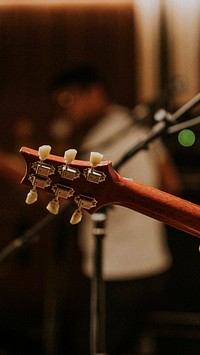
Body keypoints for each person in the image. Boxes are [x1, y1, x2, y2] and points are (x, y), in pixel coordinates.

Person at [51, 63, 183, 355]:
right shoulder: (134, 126)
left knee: (92, 346)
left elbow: (65, 202)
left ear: (94, 93)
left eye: (68, 99)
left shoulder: (99, 142)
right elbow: (172, 183)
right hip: (154, 263)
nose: (64, 110)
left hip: (117, 270)